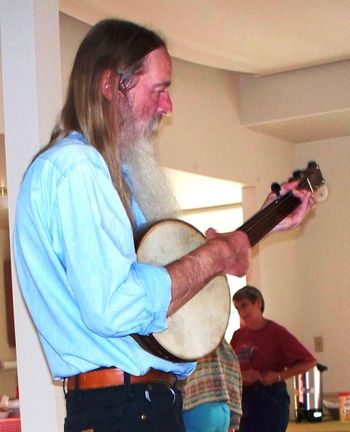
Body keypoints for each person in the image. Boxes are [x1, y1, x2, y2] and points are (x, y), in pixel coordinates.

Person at [13, 18, 314, 432]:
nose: (168, 107)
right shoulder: (76, 168)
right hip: (123, 409)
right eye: (159, 89)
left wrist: (261, 225)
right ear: (110, 85)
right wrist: (214, 255)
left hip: (141, 404)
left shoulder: (115, 177)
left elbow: (166, 282)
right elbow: (114, 307)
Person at [230, 285, 317, 432]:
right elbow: (228, 368)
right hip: (243, 401)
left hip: (269, 399)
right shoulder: (238, 335)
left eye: (244, 305)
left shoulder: (276, 332)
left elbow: (309, 362)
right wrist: (242, 375)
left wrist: (277, 376)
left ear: (258, 303)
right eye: (237, 308)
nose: (241, 312)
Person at [179, 339, 242, 432]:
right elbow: (235, 380)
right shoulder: (225, 348)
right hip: (224, 411)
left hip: (198, 408)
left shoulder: (191, 341)